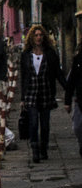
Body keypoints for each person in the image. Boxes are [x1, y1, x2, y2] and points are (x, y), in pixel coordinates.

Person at [20, 24, 66, 164]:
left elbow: (57, 73)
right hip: (31, 94)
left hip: (46, 93)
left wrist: (68, 88)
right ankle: (35, 148)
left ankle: (43, 147)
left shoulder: (50, 54)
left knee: (45, 125)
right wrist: (22, 98)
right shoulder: (26, 55)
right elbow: (24, 77)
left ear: (44, 37)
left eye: (40, 35)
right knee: (33, 123)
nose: (38, 38)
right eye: (36, 35)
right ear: (32, 38)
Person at [64, 43, 82, 157]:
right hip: (80, 99)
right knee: (78, 127)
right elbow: (71, 81)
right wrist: (67, 101)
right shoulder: (78, 59)